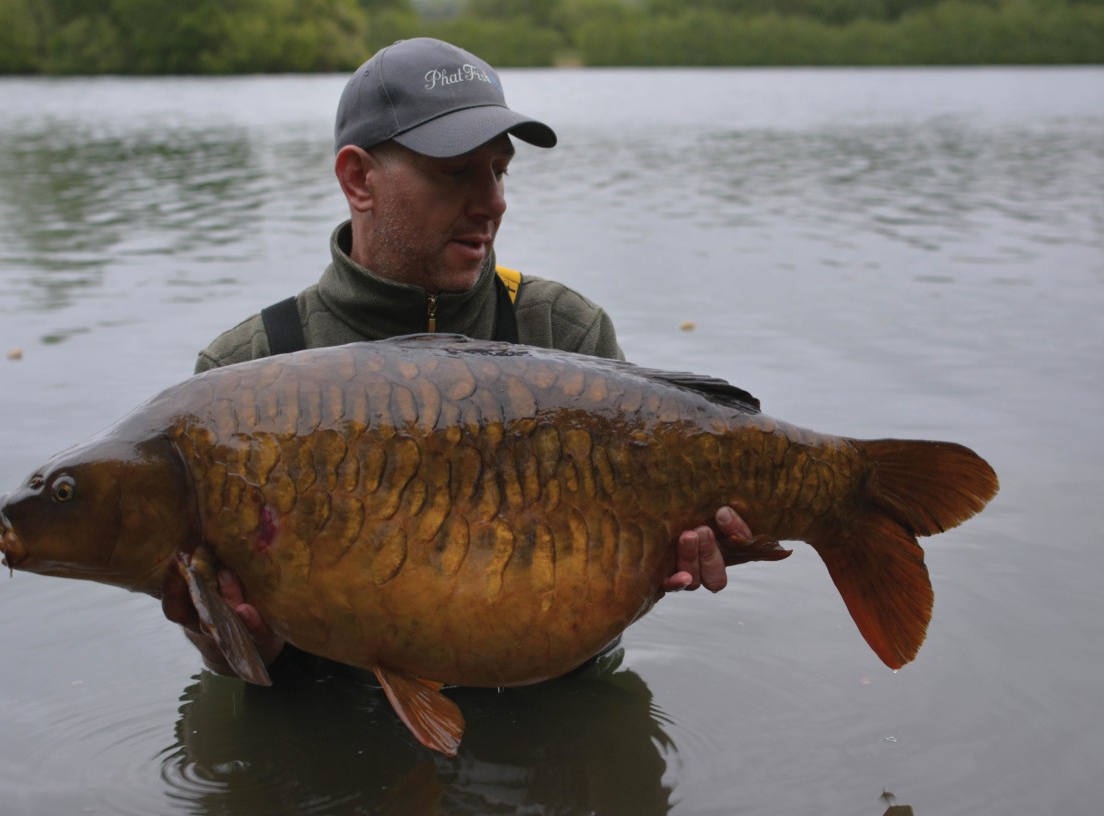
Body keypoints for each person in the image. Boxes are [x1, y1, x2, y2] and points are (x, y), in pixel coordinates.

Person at [175, 37, 751, 677]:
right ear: (358, 179)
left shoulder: (561, 330)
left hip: (547, 702)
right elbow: (230, 650)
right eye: (456, 172)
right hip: (337, 711)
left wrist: (658, 560)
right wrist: (237, 644)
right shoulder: (242, 373)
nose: (494, 201)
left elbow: (639, 562)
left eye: (499, 171)